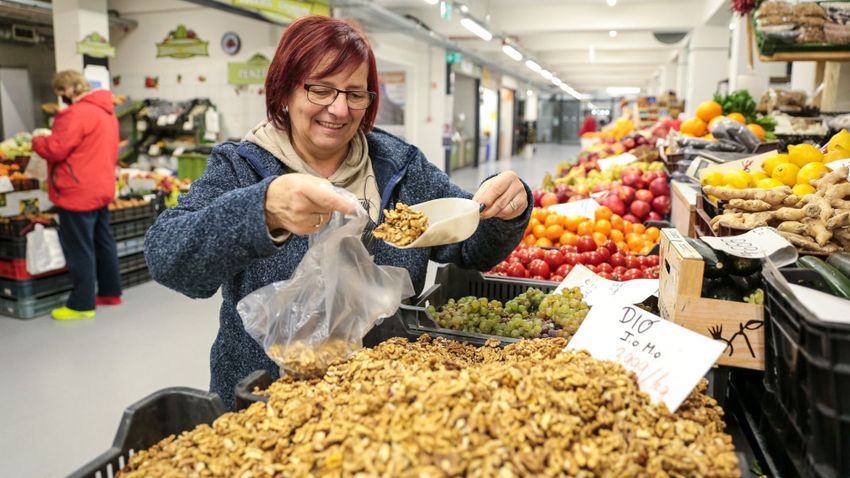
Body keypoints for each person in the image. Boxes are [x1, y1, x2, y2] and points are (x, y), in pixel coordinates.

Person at [144, 15, 532, 410]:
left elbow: (469, 248)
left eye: (355, 94)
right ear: (284, 91)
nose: (340, 108)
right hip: (265, 402)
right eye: (320, 89)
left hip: (382, 397)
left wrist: (505, 211)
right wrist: (263, 210)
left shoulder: (398, 165)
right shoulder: (241, 167)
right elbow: (168, 257)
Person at [32, 70, 122, 320]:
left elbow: (55, 149)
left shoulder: (74, 114)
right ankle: (110, 292)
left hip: (76, 190)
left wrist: (38, 141)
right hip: (101, 187)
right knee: (103, 242)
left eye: (61, 91)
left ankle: (82, 304)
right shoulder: (106, 112)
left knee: (79, 248)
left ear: (70, 89)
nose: (60, 97)